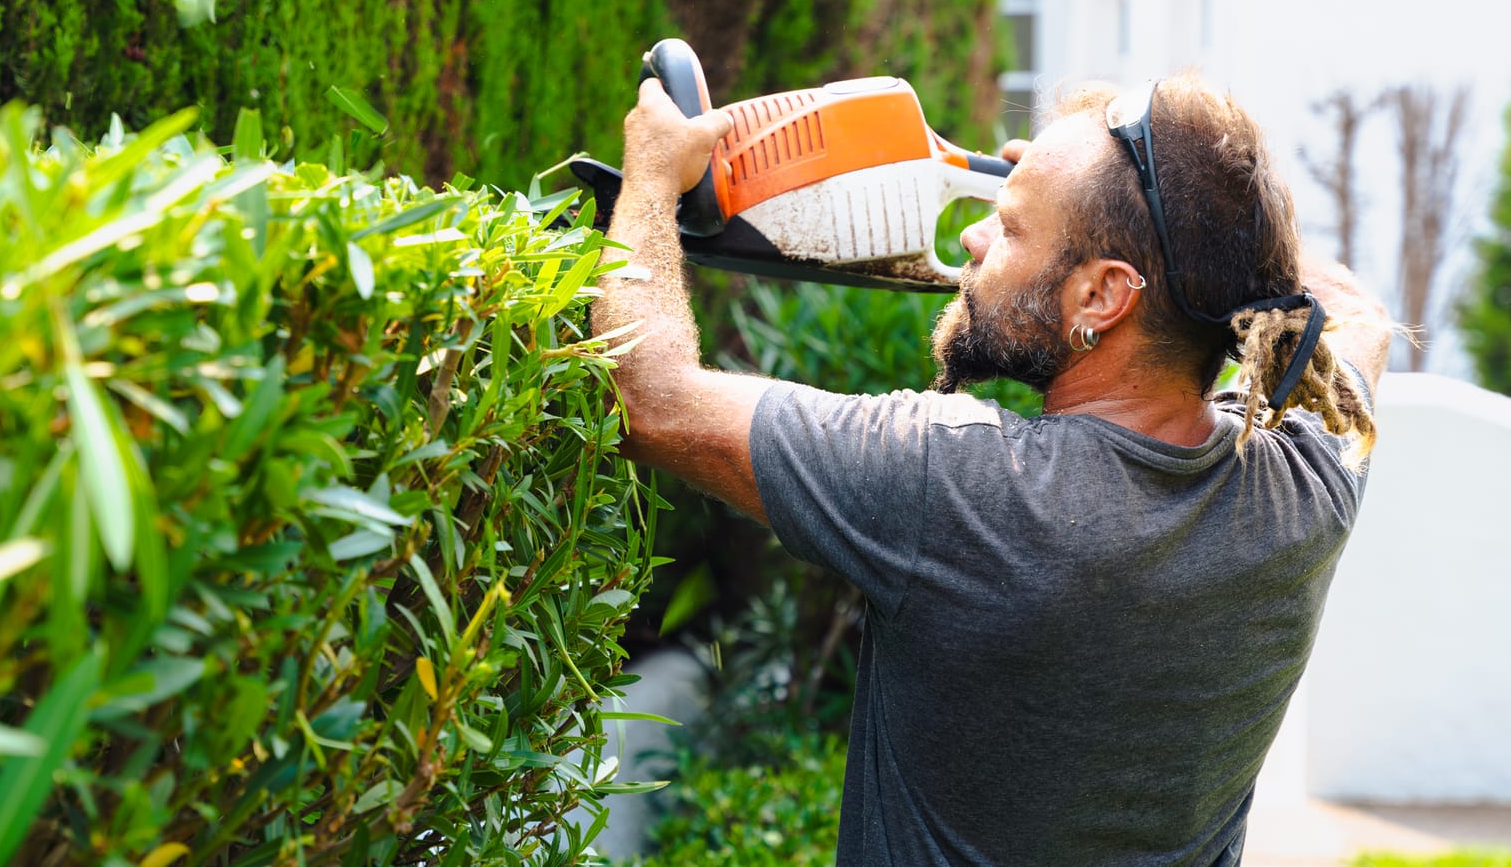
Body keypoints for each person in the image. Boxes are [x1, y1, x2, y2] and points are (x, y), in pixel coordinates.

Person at [589, 70, 1391, 866]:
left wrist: (654, 176)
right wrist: (1078, 201)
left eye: (1006, 228)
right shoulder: (1308, 486)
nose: (974, 235)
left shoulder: (969, 489)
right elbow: (1356, 316)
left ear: (1102, 297)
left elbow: (647, 397)